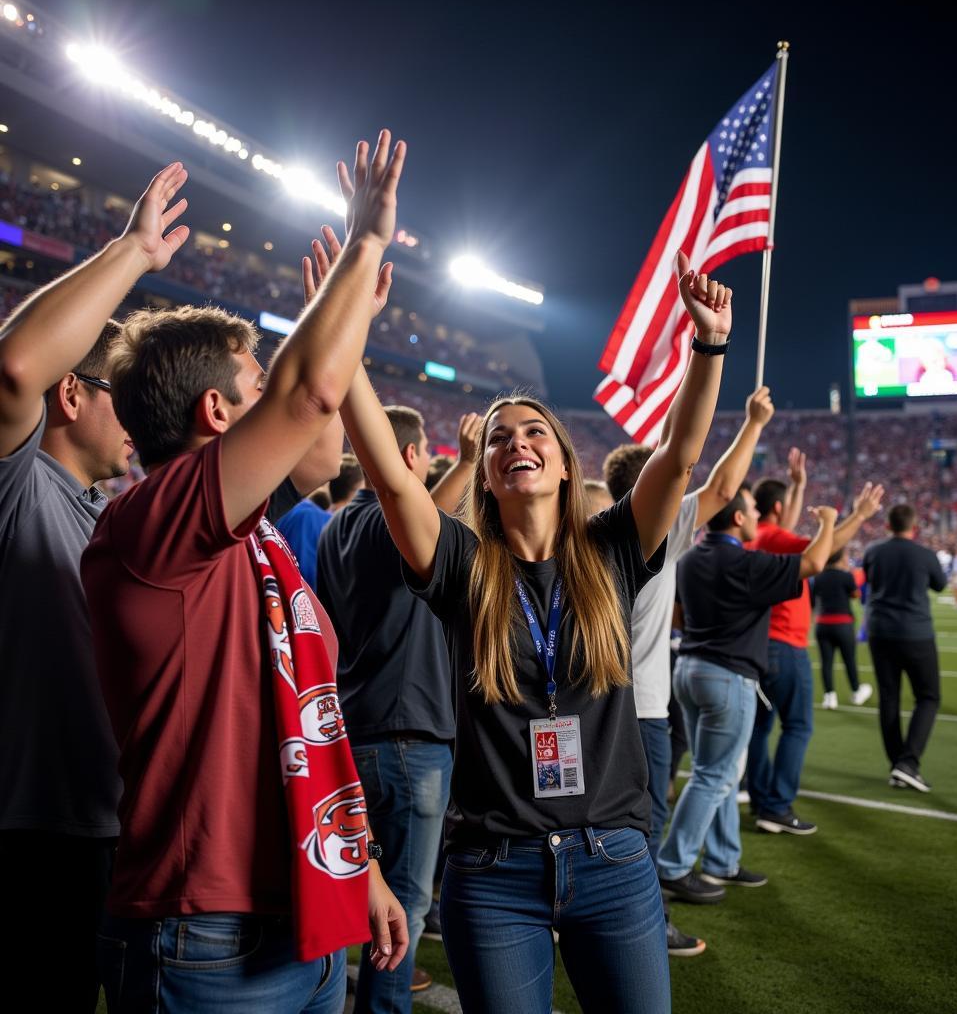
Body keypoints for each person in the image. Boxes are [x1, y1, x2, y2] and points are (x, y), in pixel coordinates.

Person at [339, 248, 731, 1013]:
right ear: (484, 472)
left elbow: (680, 459)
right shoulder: (462, 562)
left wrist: (708, 344)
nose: (515, 442)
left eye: (534, 433)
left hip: (615, 858)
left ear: (560, 462)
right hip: (493, 872)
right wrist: (350, 322)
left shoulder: (612, 548)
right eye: (497, 437)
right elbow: (389, 474)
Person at [80, 136, 409, 1012]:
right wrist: (364, 243)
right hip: (205, 929)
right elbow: (311, 398)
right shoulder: (154, 525)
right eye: (255, 385)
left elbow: (295, 720)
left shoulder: (253, 536)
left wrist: (360, 864)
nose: (277, 400)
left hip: (300, 906)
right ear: (216, 410)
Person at [0, 205, 149, 1010]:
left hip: (106, 828)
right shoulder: (15, 484)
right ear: (72, 395)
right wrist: (131, 251)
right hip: (30, 834)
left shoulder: (104, 512)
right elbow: (15, 366)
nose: (134, 421)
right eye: (119, 396)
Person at [317, 378, 480, 1012]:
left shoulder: (335, 528)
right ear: (408, 458)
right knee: (406, 900)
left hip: (352, 729)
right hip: (408, 739)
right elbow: (418, 520)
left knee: (347, 890)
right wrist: (466, 464)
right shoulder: (393, 520)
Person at [601, 384, 776, 950]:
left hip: (592, 703)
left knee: (594, 820)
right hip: (642, 705)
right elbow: (723, 487)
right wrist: (752, 422)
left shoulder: (592, 532)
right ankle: (644, 928)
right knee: (643, 821)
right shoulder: (653, 529)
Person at [657, 485, 835, 902]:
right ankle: (673, 866)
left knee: (716, 772)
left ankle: (722, 861)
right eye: (753, 509)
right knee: (713, 775)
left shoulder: (691, 557)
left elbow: (678, 614)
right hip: (727, 676)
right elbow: (814, 561)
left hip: (689, 669)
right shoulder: (745, 561)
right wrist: (827, 522)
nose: (757, 515)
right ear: (737, 518)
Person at [747, 457, 885, 835]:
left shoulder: (757, 536)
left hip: (761, 645)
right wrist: (857, 515)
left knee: (760, 728)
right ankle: (776, 807)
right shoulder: (773, 536)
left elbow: (790, 524)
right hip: (785, 645)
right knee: (798, 726)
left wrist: (797, 486)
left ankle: (761, 800)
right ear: (777, 508)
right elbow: (823, 552)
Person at [864, 504, 946, 791]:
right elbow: (940, 585)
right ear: (914, 527)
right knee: (928, 696)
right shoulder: (925, 554)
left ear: (888, 525)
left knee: (889, 698)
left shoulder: (873, 551)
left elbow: (870, 580)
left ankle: (897, 763)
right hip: (915, 631)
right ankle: (908, 763)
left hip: (880, 631)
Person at [813, 547, 873, 709]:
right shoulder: (846, 576)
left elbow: (813, 598)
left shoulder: (818, 577)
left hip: (822, 623)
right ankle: (856, 691)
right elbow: (855, 595)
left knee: (826, 662)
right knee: (849, 660)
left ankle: (829, 697)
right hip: (843, 624)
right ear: (840, 559)